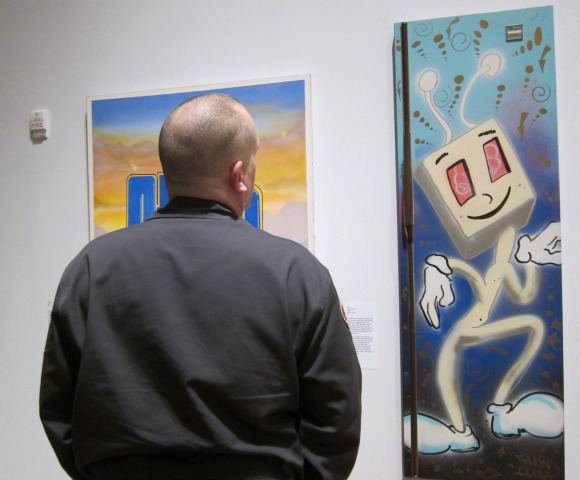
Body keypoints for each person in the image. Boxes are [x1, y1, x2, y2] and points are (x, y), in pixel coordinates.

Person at [39, 93, 362, 480]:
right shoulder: (297, 273)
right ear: (239, 174)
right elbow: (336, 419)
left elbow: (58, 408)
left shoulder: (89, 268)